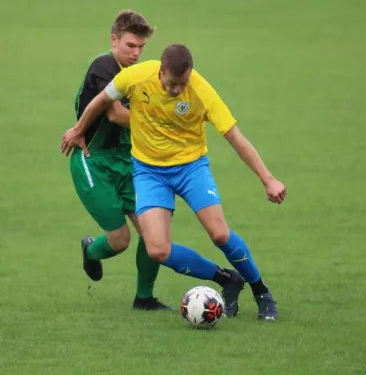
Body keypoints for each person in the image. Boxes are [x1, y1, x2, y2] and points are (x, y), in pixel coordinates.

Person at [61, 44, 286, 321]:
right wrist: (78, 130)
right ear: (160, 71)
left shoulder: (201, 91)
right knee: (157, 249)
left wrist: (268, 179)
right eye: (171, 83)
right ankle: (228, 279)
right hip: (149, 172)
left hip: (191, 168)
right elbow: (100, 101)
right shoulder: (137, 77)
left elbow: (235, 138)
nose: (177, 90)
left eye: (183, 83)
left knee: (219, 234)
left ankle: (262, 293)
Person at [69, 10, 171, 310]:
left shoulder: (141, 72)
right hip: (94, 162)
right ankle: (91, 251)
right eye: (130, 46)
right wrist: (160, 122)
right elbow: (115, 114)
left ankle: (144, 298)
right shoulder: (103, 66)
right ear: (114, 41)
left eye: (140, 47)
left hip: (128, 162)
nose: (136, 53)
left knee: (154, 235)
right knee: (120, 240)